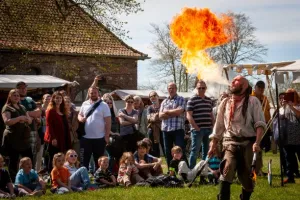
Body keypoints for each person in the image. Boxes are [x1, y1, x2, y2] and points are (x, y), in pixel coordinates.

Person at [208, 75, 266, 200]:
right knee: (226, 171)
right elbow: (218, 126)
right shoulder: (225, 102)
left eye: (236, 80)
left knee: (248, 180)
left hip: (249, 143)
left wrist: (257, 142)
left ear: (244, 86)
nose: (232, 82)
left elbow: (260, 123)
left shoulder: (253, 101)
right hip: (230, 142)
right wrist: (213, 144)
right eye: (232, 80)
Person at [1, 89, 33, 181]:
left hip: (24, 138)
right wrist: (19, 118)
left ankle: (29, 178)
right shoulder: (7, 107)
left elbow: (30, 120)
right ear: (9, 97)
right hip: (12, 138)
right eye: (14, 95)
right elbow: (7, 121)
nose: (16, 97)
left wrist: (27, 119)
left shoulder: (22, 107)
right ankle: (14, 181)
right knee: (13, 160)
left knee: (29, 158)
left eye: (18, 95)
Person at [78, 87, 111, 171]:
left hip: (99, 138)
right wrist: (80, 118)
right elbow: (79, 114)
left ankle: (99, 178)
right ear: (88, 94)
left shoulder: (104, 105)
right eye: (91, 93)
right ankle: (84, 179)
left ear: (98, 93)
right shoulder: (84, 104)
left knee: (99, 161)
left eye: (95, 93)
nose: (93, 94)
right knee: (84, 161)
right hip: (85, 138)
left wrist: (107, 136)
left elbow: (108, 122)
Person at [187, 80, 214, 169]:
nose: (201, 89)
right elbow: (188, 115)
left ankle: (204, 172)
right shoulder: (192, 100)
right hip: (197, 130)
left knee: (206, 152)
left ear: (206, 88)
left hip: (208, 129)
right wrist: (196, 127)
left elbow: (211, 115)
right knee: (195, 151)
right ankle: (191, 171)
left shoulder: (209, 100)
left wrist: (213, 126)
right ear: (196, 88)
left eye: (203, 88)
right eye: (199, 88)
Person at [159, 82, 186, 168]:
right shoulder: (164, 101)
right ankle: (171, 171)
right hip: (166, 130)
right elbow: (160, 116)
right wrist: (173, 112)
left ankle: (183, 171)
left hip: (178, 129)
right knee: (168, 152)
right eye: (170, 88)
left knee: (180, 150)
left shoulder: (181, 99)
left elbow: (179, 111)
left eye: (173, 88)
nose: (171, 90)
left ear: (176, 89)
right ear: (167, 89)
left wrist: (166, 112)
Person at [44, 92, 71, 172]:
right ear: (53, 99)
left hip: (63, 137)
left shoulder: (63, 110)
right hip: (55, 138)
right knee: (53, 157)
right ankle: (51, 174)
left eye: (60, 98)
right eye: (57, 98)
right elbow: (49, 125)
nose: (58, 99)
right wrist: (53, 138)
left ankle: (59, 173)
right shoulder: (51, 111)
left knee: (61, 157)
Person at [16, 81, 41, 168]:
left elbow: (38, 113)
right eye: (21, 88)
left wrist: (27, 113)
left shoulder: (30, 100)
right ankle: (20, 176)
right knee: (20, 156)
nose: (23, 90)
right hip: (19, 132)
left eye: (25, 88)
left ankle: (31, 174)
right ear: (17, 89)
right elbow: (18, 115)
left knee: (32, 154)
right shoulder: (15, 100)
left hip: (32, 131)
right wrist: (31, 114)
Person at [279, 89, 300, 183]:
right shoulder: (285, 107)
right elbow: (281, 117)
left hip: (298, 136)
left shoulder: (298, 106)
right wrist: (283, 106)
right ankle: (290, 176)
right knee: (289, 157)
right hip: (287, 135)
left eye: (291, 95)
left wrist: (291, 107)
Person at [251, 80, 272, 175]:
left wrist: (268, 124)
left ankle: (258, 169)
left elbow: (267, 111)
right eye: (259, 87)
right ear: (255, 87)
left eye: (262, 88)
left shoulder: (265, 98)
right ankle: (254, 169)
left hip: (264, 125)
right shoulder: (250, 98)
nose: (261, 89)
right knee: (254, 147)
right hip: (253, 126)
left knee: (260, 148)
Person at [147, 91, 164, 157]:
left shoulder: (163, 106)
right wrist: (158, 116)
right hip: (153, 130)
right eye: (151, 96)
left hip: (162, 128)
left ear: (158, 96)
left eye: (154, 95)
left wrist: (154, 116)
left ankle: (171, 166)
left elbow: (164, 117)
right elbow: (149, 119)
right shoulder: (149, 108)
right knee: (154, 148)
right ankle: (156, 165)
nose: (153, 97)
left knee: (165, 147)